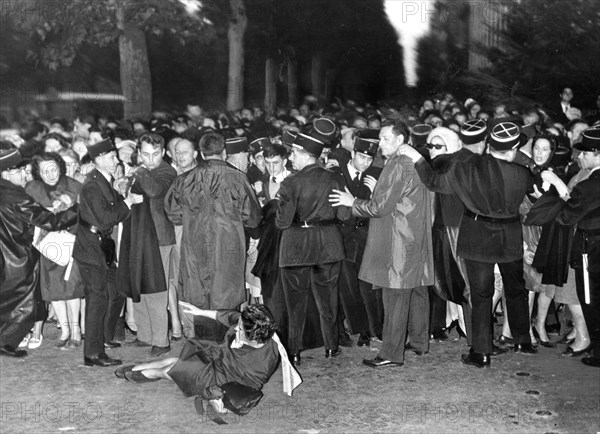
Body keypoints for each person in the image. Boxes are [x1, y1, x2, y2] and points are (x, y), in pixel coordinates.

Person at [399, 121, 537, 369]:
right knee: (516, 289)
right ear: (514, 147)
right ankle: (522, 340)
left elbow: (435, 183)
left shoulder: (465, 169)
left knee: (481, 296)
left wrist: (417, 159)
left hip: (478, 236)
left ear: (488, 143)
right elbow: (535, 195)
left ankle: (481, 352)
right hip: (510, 236)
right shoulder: (523, 172)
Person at [330, 119, 434, 368]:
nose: (380, 143)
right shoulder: (416, 161)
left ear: (400, 140)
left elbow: (378, 207)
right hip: (416, 236)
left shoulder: (398, 164)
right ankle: (419, 342)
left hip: (399, 238)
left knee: (395, 296)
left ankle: (391, 353)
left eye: (385, 138)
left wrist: (351, 201)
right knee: (418, 290)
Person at [165, 133, 262, 342]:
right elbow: (253, 216)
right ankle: (227, 348)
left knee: (198, 299)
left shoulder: (184, 180)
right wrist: (254, 235)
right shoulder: (238, 177)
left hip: (195, 249)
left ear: (200, 153)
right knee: (227, 298)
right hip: (228, 249)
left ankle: (202, 350)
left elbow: (173, 213)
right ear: (224, 152)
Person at [115, 303, 282, 415]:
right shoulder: (249, 325)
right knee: (178, 360)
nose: (236, 328)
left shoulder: (265, 358)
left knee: (178, 369)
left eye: (240, 330)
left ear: (253, 339)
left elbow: (251, 381)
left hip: (228, 379)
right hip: (218, 359)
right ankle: (143, 367)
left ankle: (151, 373)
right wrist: (199, 312)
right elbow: (227, 316)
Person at [276, 132, 351, 365]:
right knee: (328, 299)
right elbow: (344, 215)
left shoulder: (290, 182)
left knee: (295, 302)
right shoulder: (335, 179)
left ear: (304, 154)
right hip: (327, 243)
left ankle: (295, 350)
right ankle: (331, 346)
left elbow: (282, 222)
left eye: (293, 153)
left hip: (296, 246)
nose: (290, 157)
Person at [531, 128, 600, 367]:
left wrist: (558, 187)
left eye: (585, 152)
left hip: (585, 245)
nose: (580, 156)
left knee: (585, 296)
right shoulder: (586, 176)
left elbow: (568, 214)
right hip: (585, 242)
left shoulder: (591, 183)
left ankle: (590, 343)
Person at [73, 138, 143, 367]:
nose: (116, 160)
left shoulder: (102, 180)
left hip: (98, 246)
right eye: (112, 157)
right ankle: (93, 353)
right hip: (91, 247)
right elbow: (105, 218)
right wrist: (129, 203)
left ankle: (100, 343)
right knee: (97, 299)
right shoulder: (93, 185)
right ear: (99, 159)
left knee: (109, 294)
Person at [0, 149, 77, 357]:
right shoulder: (16, 195)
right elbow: (50, 222)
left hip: (5, 256)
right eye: (20, 171)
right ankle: (7, 343)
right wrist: (74, 209)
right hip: (18, 257)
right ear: (6, 173)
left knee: (8, 303)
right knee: (28, 306)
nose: (25, 174)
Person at [120, 132, 177, 356]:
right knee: (140, 287)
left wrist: (139, 171)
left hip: (159, 238)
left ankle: (161, 341)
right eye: (145, 154)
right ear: (139, 153)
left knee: (157, 291)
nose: (150, 159)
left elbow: (154, 190)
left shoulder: (166, 172)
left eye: (155, 154)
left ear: (163, 152)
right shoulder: (144, 171)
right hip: (140, 236)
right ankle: (144, 335)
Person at [25, 152, 83, 349]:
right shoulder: (32, 188)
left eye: (54, 169)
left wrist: (69, 205)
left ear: (60, 167)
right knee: (53, 288)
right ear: (38, 173)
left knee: (72, 286)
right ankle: (64, 330)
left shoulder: (73, 185)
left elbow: (83, 212)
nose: (50, 174)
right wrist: (51, 211)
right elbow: (30, 215)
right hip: (46, 244)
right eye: (45, 170)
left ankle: (75, 330)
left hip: (70, 241)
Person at [334, 137, 383, 347]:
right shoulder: (337, 174)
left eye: (369, 159)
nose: (365, 163)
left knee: (369, 286)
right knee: (348, 288)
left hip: (367, 237)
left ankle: (373, 330)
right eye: (361, 157)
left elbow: (380, 206)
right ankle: (361, 327)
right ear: (352, 153)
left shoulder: (375, 176)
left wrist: (376, 191)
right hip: (342, 238)